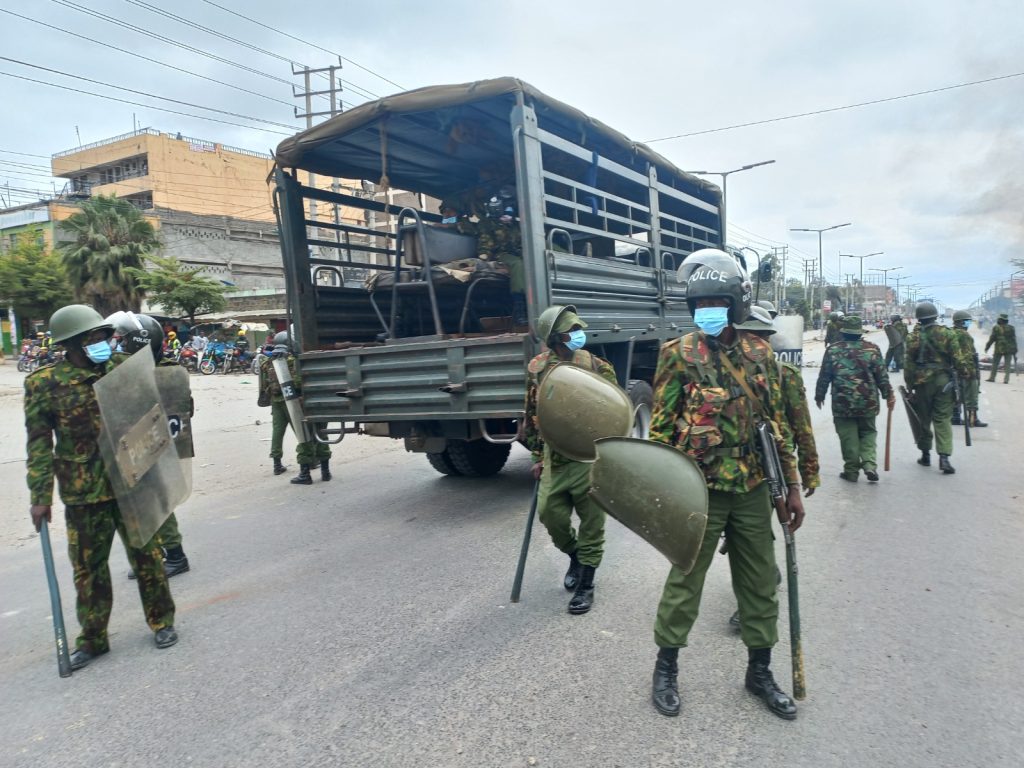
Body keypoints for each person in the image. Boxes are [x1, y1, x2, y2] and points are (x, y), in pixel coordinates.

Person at [648, 248, 804, 720]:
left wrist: (792, 484)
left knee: (759, 583)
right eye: (700, 307)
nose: (708, 314)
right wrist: (663, 493)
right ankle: (666, 667)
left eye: (717, 303)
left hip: (755, 488)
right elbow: (659, 430)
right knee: (685, 581)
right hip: (701, 489)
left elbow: (778, 426)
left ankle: (759, 672)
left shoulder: (761, 353)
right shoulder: (677, 356)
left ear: (736, 303)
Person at [25, 304, 177, 670]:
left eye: (104, 336)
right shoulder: (44, 384)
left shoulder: (122, 369)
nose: (103, 342)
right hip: (83, 491)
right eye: (93, 338)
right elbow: (39, 442)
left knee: (148, 558)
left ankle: (162, 622)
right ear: (73, 344)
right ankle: (93, 639)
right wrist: (40, 497)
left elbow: (151, 418)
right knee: (88, 570)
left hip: (130, 482)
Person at [726, 305, 818, 630]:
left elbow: (801, 425)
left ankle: (751, 604)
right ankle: (763, 581)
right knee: (745, 537)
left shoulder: (784, 375)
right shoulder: (723, 370)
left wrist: (807, 473)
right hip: (734, 471)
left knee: (756, 539)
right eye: (745, 336)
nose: (751, 344)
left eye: (756, 337)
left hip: (773, 466)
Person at [523, 305, 617, 615]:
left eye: (579, 329)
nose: (579, 335)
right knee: (551, 514)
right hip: (555, 457)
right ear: (554, 339)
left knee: (592, 521)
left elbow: (615, 410)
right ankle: (575, 555)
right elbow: (532, 414)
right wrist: (537, 455)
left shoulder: (596, 365)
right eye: (571, 332)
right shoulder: (537, 368)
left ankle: (586, 584)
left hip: (590, 456)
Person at [108, 311, 193, 578]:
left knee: (155, 501)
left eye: (121, 341)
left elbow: (179, 413)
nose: (115, 346)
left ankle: (175, 555)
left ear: (137, 343)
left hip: (152, 444)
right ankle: (154, 554)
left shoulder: (164, 372)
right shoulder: (132, 370)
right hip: (133, 444)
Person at [814, 315, 895, 482]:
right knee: (868, 432)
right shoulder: (872, 349)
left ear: (843, 332)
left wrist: (819, 395)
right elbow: (882, 376)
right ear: (860, 332)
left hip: (842, 402)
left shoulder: (833, 350)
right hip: (868, 401)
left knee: (847, 435)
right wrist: (889, 395)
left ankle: (851, 471)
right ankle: (869, 465)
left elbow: (824, 376)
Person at [903, 301, 972, 474]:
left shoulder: (913, 337)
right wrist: (964, 373)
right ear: (935, 316)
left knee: (923, 419)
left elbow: (908, 365)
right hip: (944, 382)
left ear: (919, 319)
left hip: (921, 383)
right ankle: (944, 458)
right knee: (942, 419)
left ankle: (925, 455)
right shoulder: (947, 334)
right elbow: (958, 358)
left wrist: (909, 386)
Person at [258, 332, 332, 484]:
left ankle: (278, 464)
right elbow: (300, 382)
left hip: (279, 401)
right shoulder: (297, 361)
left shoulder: (267, 362)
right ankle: (323, 470)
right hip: (302, 401)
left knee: (281, 432)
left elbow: (264, 385)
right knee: (317, 433)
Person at [950, 310, 988, 428]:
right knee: (972, 394)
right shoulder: (963, 335)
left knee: (958, 394)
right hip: (967, 369)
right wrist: (972, 372)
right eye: (967, 321)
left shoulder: (950, 333)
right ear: (961, 322)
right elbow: (967, 355)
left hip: (953, 369)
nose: (969, 323)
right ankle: (973, 418)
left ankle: (955, 417)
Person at [984, 312, 1017, 384]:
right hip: (1009, 349)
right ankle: (1006, 380)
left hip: (999, 348)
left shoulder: (996, 327)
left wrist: (987, 347)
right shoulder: (1011, 328)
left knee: (995, 363)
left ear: (1001, 320)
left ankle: (992, 378)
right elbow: (1013, 339)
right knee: (1007, 365)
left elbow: (992, 338)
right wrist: (1015, 349)